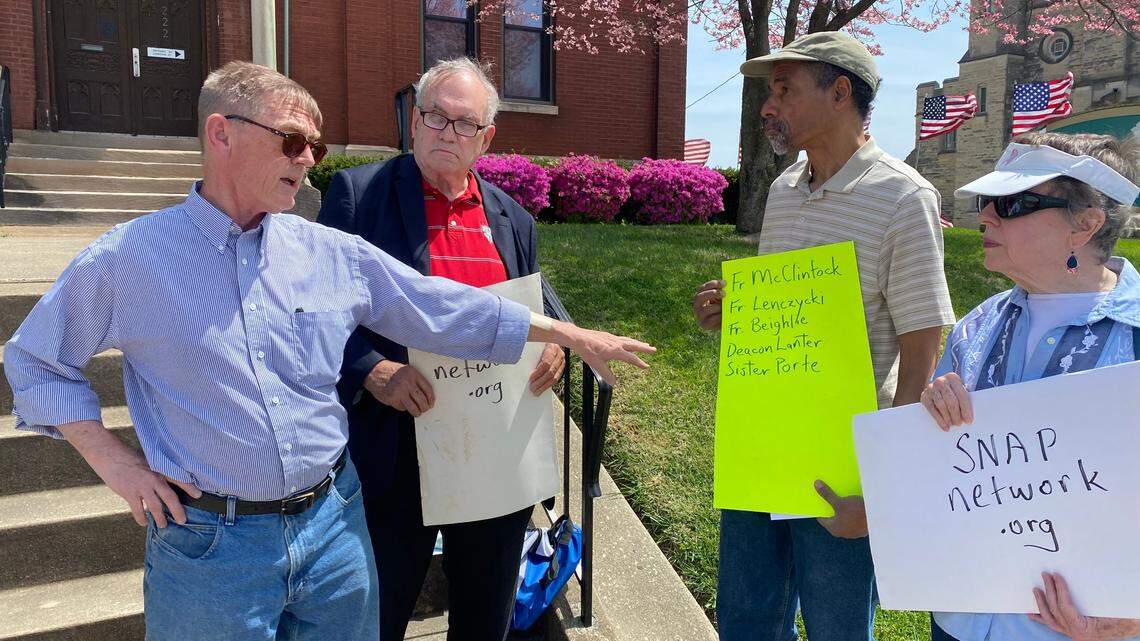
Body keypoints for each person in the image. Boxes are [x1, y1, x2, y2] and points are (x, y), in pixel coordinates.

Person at [3, 61, 653, 641]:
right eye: (292, 140)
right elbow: (34, 360)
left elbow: (437, 305)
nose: (310, 158)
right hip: (212, 546)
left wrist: (564, 334)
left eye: (314, 144)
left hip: (335, 527)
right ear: (221, 134)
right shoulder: (127, 261)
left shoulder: (324, 251)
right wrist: (117, 465)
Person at [692, 31, 956, 641]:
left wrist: (890, 479)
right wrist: (739, 315)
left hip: (844, 466)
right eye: (769, 90)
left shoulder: (904, 196)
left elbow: (923, 343)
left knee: (837, 626)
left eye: (784, 89)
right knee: (746, 618)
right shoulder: (784, 191)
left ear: (841, 93)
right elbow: (790, 310)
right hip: (760, 446)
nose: (768, 105)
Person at [317, 57, 562, 641]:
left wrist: (550, 348)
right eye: (435, 117)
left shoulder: (514, 221)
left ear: (487, 137)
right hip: (395, 449)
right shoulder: (360, 196)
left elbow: (526, 311)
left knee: (484, 619)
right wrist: (372, 370)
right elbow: (314, 311)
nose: (447, 133)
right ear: (414, 119)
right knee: (376, 617)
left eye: (464, 123)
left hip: (493, 457)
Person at [921, 132, 1140, 641]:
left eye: (1013, 203)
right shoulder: (975, 329)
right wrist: (929, 424)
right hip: (961, 620)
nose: (986, 217)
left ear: (1084, 225)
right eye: (987, 203)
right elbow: (945, 475)